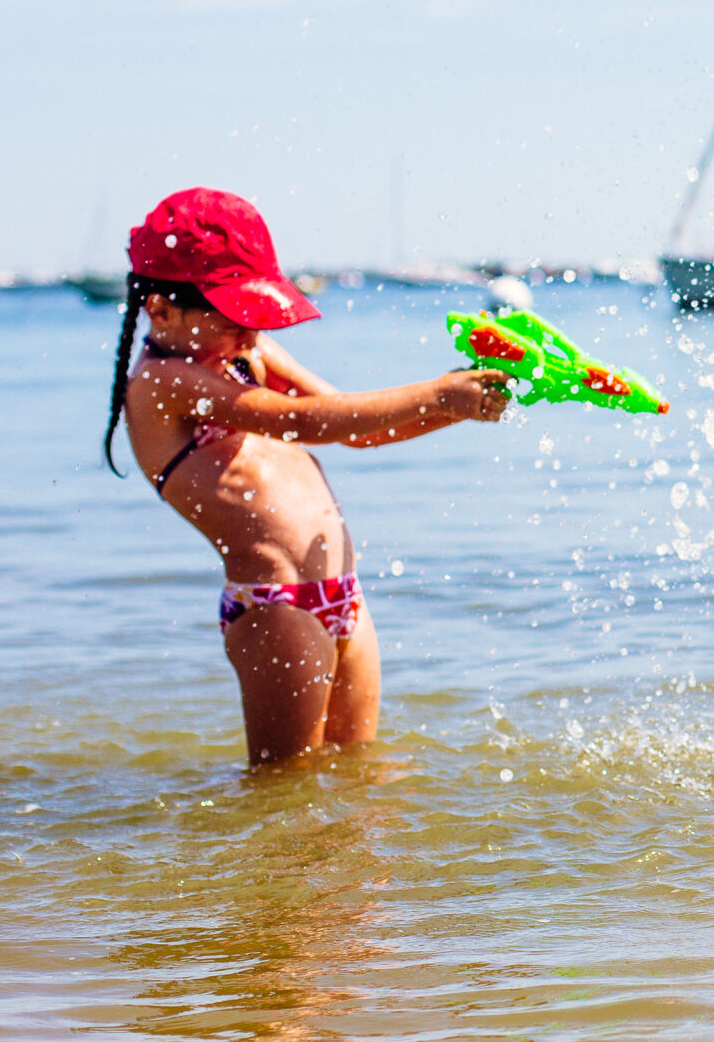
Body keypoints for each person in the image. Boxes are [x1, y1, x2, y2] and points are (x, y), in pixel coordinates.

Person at [102, 188, 510, 764]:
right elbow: (301, 421)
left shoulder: (248, 355)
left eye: (255, 317)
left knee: (358, 779)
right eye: (234, 317)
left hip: (345, 598)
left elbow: (356, 426)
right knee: (284, 797)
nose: (250, 333)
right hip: (276, 608)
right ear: (162, 310)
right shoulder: (164, 382)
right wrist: (438, 391)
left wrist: (455, 403)